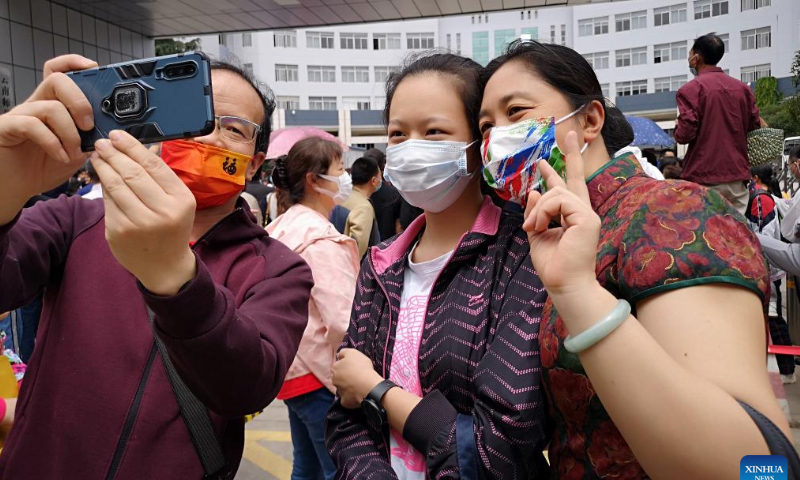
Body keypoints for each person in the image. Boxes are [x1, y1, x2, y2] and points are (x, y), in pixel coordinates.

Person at [479, 39, 789, 479]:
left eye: (515, 112)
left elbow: (758, 466)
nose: (496, 140)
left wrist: (581, 294)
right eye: (486, 126)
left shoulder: (672, 211)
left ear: (589, 120)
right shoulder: (549, 233)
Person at [0, 54, 313, 479]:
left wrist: (177, 280)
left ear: (255, 163)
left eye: (234, 129)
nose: (207, 136)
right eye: (193, 116)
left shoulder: (279, 269)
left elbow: (247, 387)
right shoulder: (76, 220)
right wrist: (5, 196)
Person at [326, 53, 550, 479]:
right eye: (397, 134)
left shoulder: (524, 252)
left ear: (477, 143)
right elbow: (345, 418)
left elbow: (498, 445)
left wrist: (377, 390)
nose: (411, 148)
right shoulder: (381, 264)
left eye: (434, 132)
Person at [266, 137, 359, 480]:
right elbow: (342, 320)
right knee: (340, 468)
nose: (346, 176)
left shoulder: (278, 229)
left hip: (291, 370)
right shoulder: (320, 238)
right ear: (315, 180)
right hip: (321, 373)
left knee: (306, 466)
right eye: (340, 169)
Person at [675, 33, 761, 214]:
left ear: (696, 58)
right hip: (737, 178)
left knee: (705, 236)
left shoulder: (690, 90)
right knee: (734, 235)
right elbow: (754, 126)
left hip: (703, 176)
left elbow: (684, 135)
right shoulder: (743, 89)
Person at [746, 164, 794, 383]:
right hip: (769, 267)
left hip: (767, 269)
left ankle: (787, 370)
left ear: (755, 178)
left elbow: (761, 234)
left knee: (773, 318)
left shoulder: (759, 199)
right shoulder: (765, 197)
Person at [342, 156, 381, 258]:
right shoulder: (363, 207)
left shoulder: (343, 198)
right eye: (379, 176)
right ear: (373, 181)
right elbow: (357, 248)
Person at [363, 148, 402, 240]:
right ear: (382, 167)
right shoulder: (395, 194)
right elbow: (399, 227)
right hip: (387, 247)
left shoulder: (355, 193)